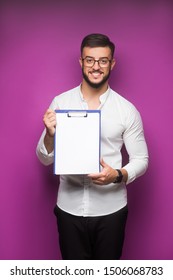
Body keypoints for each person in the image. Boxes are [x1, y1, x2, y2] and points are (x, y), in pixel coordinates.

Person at [36, 33, 149, 260]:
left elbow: (141, 159)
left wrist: (117, 175)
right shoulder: (60, 103)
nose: (96, 66)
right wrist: (50, 135)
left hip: (111, 211)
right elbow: (45, 158)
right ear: (81, 62)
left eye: (103, 60)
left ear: (111, 63)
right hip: (68, 209)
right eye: (90, 60)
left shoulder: (126, 110)